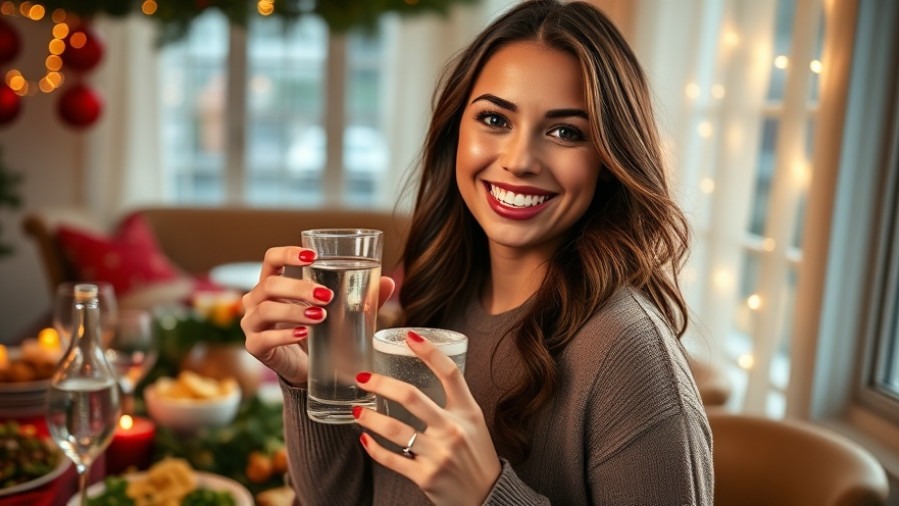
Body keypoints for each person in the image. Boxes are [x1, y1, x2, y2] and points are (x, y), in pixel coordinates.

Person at [240, 0, 713, 504]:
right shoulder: (438, 302)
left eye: (566, 132)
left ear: (610, 156)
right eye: (494, 118)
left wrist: (487, 495)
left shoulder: (631, 358)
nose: (519, 160)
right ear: (455, 133)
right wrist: (306, 381)